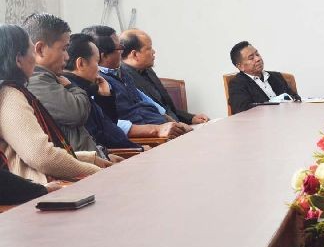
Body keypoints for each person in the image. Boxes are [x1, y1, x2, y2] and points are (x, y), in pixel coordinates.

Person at [0, 23, 105, 185]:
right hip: (36, 191)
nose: (35, 59)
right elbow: (41, 156)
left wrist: (90, 159)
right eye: (32, 52)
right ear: (18, 59)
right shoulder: (9, 95)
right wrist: (96, 172)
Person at [82, 25, 188, 139]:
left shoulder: (121, 71)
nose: (123, 52)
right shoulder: (96, 83)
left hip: (161, 127)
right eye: (120, 48)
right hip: (148, 138)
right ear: (103, 56)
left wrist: (174, 123)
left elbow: (142, 97)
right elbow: (108, 123)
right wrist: (156, 130)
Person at [63, 33, 142, 150]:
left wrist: (105, 96)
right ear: (81, 63)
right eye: (97, 62)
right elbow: (101, 138)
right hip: (120, 155)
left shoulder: (86, 87)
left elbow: (109, 126)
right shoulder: (75, 94)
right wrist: (138, 149)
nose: (99, 69)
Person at [120, 29, 209, 125]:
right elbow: (144, 117)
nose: (154, 51)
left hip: (176, 126)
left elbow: (166, 107)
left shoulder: (147, 70)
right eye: (149, 48)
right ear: (134, 54)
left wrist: (191, 118)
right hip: (160, 130)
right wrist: (177, 126)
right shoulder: (123, 79)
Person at [227, 41, 300, 114]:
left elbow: (294, 97)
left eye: (257, 54)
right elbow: (242, 111)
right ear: (240, 66)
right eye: (251, 58)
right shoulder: (237, 85)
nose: (258, 59)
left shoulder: (276, 76)